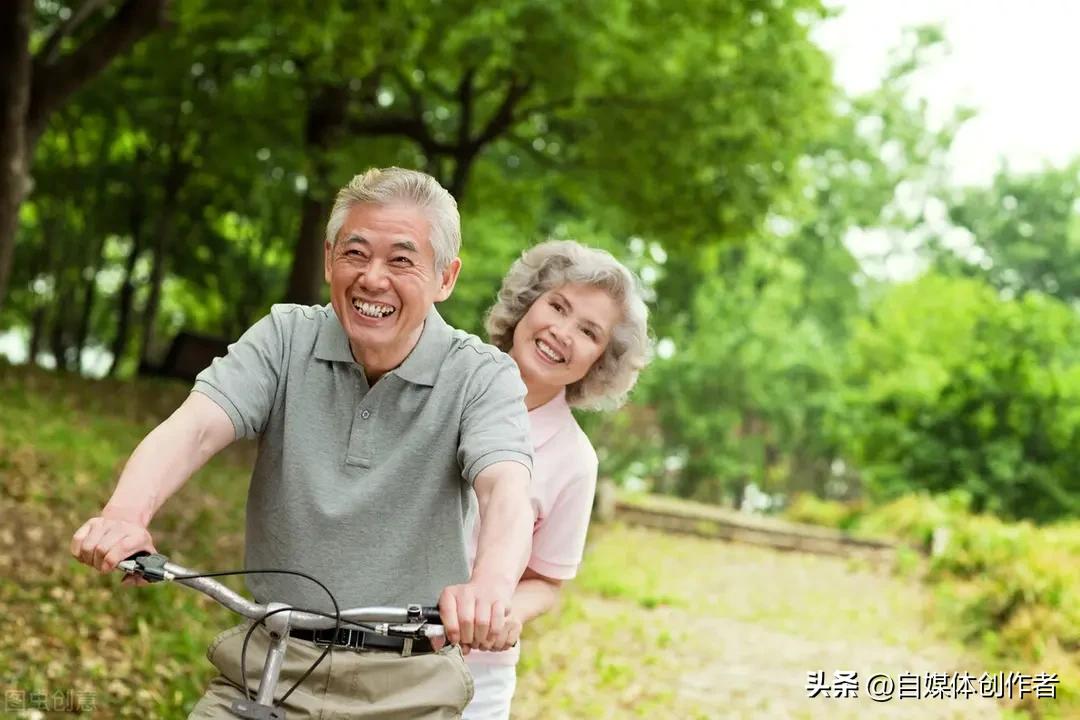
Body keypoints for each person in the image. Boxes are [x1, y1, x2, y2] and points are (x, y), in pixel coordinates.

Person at [69, 167, 535, 719]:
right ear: (328, 258)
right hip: (268, 661)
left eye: (402, 260)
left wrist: (491, 585)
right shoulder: (286, 337)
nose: (373, 279)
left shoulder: (482, 376)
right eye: (355, 253)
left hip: (408, 684)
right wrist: (126, 512)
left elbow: (505, 487)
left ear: (446, 277)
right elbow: (193, 428)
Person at [461, 240, 650, 719]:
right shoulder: (444, 383)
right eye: (557, 306)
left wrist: (507, 612)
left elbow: (547, 580)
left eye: (588, 331)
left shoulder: (575, 460)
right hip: (366, 647)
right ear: (526, 306)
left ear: (600, 362)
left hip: (470, 679)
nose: (561, 332)